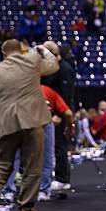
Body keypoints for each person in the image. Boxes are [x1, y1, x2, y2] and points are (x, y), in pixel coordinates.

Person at [0, 40, 58, 211]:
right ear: (21, 50)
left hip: (7, 123)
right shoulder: (32, 59)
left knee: (2, 166)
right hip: (32, 121)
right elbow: (53, 66)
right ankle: (27, 206)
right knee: (33, 166)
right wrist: (43, 51)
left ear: (4, 53)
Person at [41, 41, 75, 191]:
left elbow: (66, 94)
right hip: (48, 112)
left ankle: (63, 179)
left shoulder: (64, 69)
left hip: (60, 112)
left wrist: (60, 115)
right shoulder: (48, 68)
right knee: (51, 147)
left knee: (60, 145)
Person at [39, 84, 75, 201]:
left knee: (17, 160)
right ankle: (43, 191)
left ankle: (9, 191)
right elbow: (68, 113)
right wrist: (70, 129)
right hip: (44, 123)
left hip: (22, 123)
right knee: (46, 159)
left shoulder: (20, 88)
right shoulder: (47, 90)